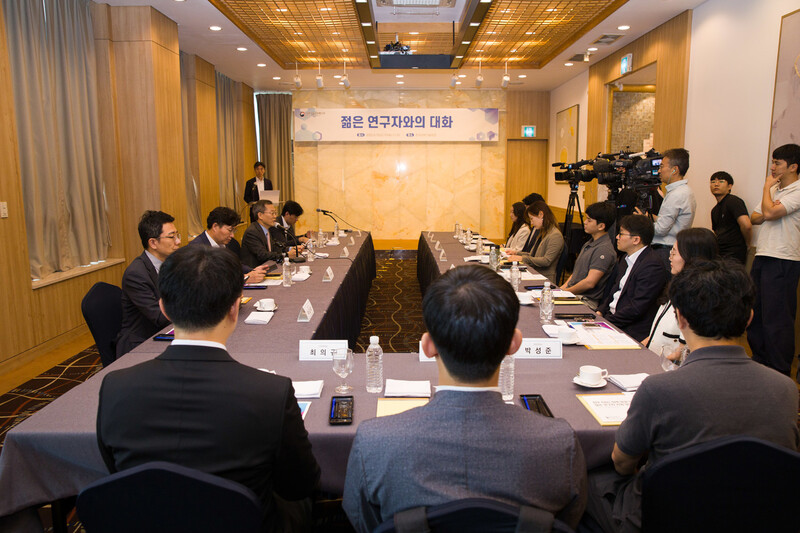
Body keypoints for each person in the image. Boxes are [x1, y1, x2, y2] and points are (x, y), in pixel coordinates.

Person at [342, 265, 587, 532]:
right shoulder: (560, 443)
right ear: (514, 344)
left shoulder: (375, 442)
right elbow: (567, 523)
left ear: (427, 345)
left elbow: (363, 523)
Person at [98, 246, 321, 533]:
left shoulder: (115, 387)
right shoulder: (271, 393)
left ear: (164, 307)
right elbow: (300, 484)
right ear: (234, 308)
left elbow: (115, 473)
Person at [585, 259, 799, 533]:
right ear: (749, 318)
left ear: (680, 317)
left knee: (587, 478)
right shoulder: (786, 389)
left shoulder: (658, 389)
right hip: (754, 516)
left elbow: (622, 462)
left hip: (663, 516)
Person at [748, 143, 800, 377]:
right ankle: (759, 365)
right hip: (763, 255)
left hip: (784, 258)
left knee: (777, 319)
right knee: (756, 313)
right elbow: (755, 218)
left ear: (793, 167)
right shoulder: (775, 191)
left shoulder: (797, 190)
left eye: (778, 163)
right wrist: (770, 196)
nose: (773, 167)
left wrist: (767, 189)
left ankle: (779, 373)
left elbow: (768, 213)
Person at [643, 228, 718, 356]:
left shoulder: (697, 296)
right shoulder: (677, 285)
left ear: (691, 257)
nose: (669, 257)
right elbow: (655, 334)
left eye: (674, 253)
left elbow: (682, 352)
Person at [116, 210, 180, 358]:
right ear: (153, 242)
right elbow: (159, 317)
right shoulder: (136, 274)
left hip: (167, 332)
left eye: (177, 235)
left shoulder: (171, 263)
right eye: (172, 237)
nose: (178, 241)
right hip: (142, 343)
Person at [597, 215, 668, 342]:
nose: (617, 237)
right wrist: (600, 312)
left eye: (621, 234)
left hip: (629, 328)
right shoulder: (626, 259)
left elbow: (637, 308)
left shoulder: (652, 265)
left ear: (636, 239)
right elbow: (614, 291)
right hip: (611, 318)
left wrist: (605, 323)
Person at [635, 148, 696, 269]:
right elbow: (671, 220)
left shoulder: (677, 194)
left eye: (662, 166)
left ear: (675, 170)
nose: (659, 171)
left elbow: (661, 229)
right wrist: (649, 218)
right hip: (671, 248)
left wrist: (643, 224)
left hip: (665, 250)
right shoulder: (684, 191)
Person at [189, 206, 270, 282]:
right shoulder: (196, 249)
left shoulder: (231, 244)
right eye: (230, 230)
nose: (232, 235)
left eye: (233, 231)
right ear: (215, 226)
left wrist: (253, 271)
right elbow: (207, 281)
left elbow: (234, 266)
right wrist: (245, 278)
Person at [563, 202, 617, 308]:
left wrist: (565, 292)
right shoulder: (590, 243)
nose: (585, 222)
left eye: (589, 220)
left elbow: (589, 282)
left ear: (601, 226)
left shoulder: (603, 250)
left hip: (586, 301)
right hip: (574, 295)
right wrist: (561, 290)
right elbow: (575, 274)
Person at [506, 200, 565, 283]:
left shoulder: (555, 235)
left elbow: (546, 261)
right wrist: (516, 253)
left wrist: (522, 258)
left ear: (541, 214)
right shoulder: (543, 232)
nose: (531, 223)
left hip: (545, 279)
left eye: (532, 219)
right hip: (534, 273)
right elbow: (532, 254)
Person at [241, 200, 301, 267]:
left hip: (269, 267)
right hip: (256, 271)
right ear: (260, 215)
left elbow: (275, 248)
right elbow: (263, 255)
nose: (275, 216)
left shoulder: (266, 230)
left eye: (275, 213)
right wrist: (286, 255)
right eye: (272, 213)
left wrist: (291, 249)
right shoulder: (252, 232)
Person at [709, 171, 751, 264]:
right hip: (720, 254)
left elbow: (746, 225)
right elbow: (716, 233)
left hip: (734, 254)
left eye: (721, 181)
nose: (716, 184)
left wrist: (748, 244)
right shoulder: (714, 210)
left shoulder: (733, 201)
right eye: (713, 182)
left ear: (730, 186)